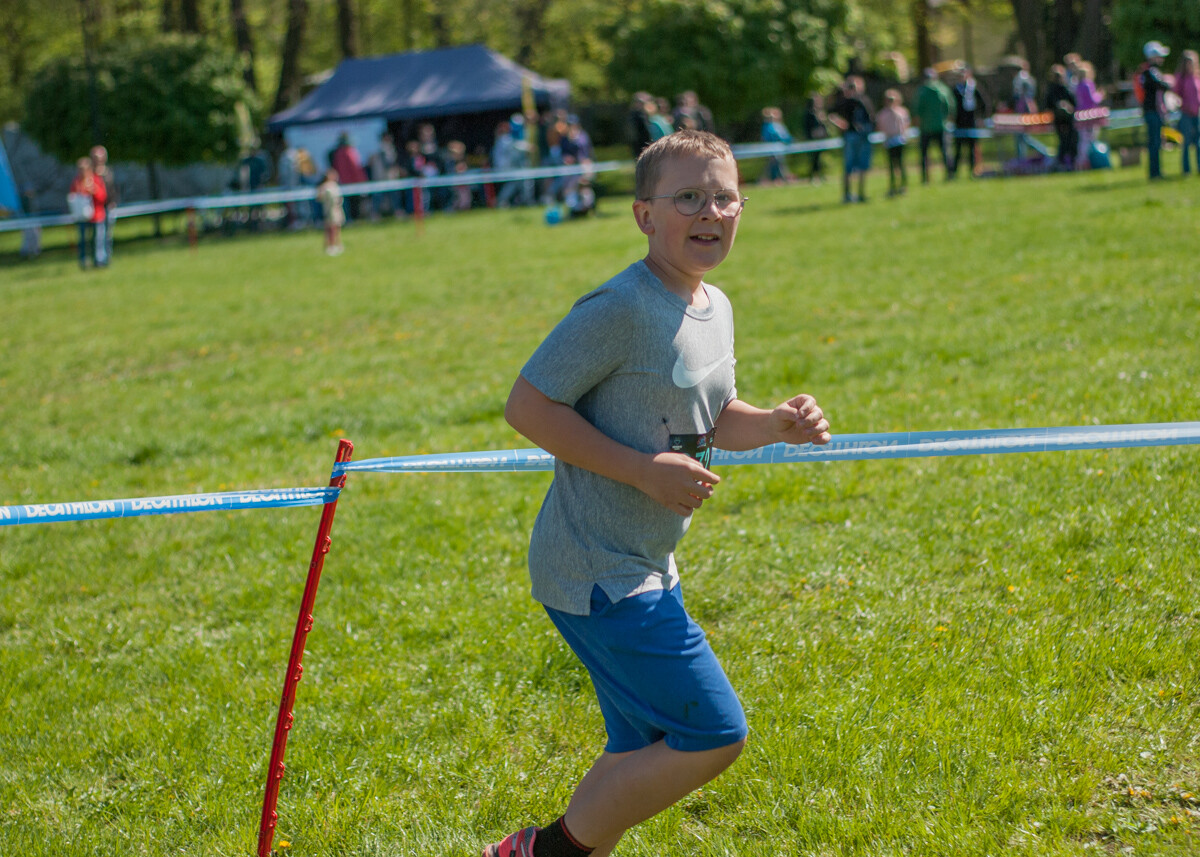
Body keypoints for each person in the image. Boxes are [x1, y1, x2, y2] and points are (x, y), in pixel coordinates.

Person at [486, 129, 831, 857]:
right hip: (593, 569)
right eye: (688, 198)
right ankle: (539, 852)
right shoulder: (620, 307)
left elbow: (711, 417)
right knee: (713, 731)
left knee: (639, 744)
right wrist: (644, 470)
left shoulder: (716, 304)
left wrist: (775, 424)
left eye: (724, 196)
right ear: (644, 215)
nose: (710, 210)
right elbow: (528, 405)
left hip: (647, 562)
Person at [828, 75, 875, 203]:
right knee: (849, 167)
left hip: (864, 136)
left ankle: (861, 193)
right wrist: (840, 124)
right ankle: (847, 194)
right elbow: (830, 114)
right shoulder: (844, 101)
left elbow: (871, 118)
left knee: (863, 165)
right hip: (850, 136)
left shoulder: (864, 100)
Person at [1140, 41, 1174, 180]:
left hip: (1156, 111)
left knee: (1158, 142)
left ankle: (1157, 171)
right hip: (1152, 111)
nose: (1161, 59)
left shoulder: (1153, 72)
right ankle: (1154, 173)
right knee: (1154, 143)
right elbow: (1162, 85)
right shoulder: (1148, 72)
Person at [68, 156, 107, 269]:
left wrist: (94, 191)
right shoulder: (76, 182)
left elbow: (103, 197)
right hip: (82, 217)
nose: (82, 172)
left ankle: (99, 261)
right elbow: (72, 198)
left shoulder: (96, 180)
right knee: (83, 241)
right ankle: (84, 261)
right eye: (80, 169)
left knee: (98, 240)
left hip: (96, 216)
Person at [915, 68, 953, 182]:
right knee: (945, 152)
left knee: (924, 154)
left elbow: (916, 110)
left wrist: (919, 122)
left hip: (926, 127)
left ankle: (925, 178)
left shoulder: (922, 91)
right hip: (941, 126)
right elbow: (950, 107)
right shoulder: (943, 89)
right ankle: (949, 175)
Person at [951, 65, 988, 177]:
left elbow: (984, 103)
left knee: (972, 147)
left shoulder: (974, 87)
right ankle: (954, 172)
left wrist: (982, 117)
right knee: (958, 148)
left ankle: (973, 171)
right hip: (959, 122)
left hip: (972, 121)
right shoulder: (955, 89)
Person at [876, 89, 911, 196]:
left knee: (901, 164)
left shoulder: (902, 111)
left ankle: (903, 186)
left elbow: (906, 123)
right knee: (891, 166)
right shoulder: (882, 113)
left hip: (899, 140)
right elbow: (880, 126)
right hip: (889, 141)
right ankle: (892, 187)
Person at [1073, 61, 1106, 169]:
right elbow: (1093, 99)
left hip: (1080, 115)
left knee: (1082, 139)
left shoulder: (1078, 86)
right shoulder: (1088, 84)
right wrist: (1100, 95)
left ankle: (1081, 161)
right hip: (1090, 115)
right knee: (1091, 138)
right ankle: (1089, 160)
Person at [1045, 64, 1077, 170]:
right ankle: (1061, 163)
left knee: (1071, 140)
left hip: (1069, 120)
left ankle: (1070, 162)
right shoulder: (1051, 90)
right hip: (1059, 120)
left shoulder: (1066, 88)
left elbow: (1073, 103)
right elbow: (1048, 105)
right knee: (1063, 141)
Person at [1174, 50, 1200, 176]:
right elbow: (1176, 95)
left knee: (1199, 142)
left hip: (1197, 113)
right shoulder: (1181, 78)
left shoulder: (1196, 76)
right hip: (1186, 114)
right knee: (1186, 143)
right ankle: (1186, 170)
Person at [90, 145, 117, 263]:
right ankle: (98, 259)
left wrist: (113, 202)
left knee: (108, 235)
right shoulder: (90, 173)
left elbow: (112, 189)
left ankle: (107, 258)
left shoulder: (107, 172)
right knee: (98, 235)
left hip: (108, 206)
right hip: (96, 208)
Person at [1011, 60, 1038, 162]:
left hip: (1022, 109)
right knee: (1023, 136)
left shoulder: (1020, 78)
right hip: (1028, 107)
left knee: (1022, 136)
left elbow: (1017, 94)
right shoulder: (1030, 78)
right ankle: (1022, 158)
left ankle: (1022, 159)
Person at [758, 106, 793, 184]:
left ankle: (780, 179)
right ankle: (781, 179)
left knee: (774, 165)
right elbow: (776, 137)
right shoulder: (769, 127)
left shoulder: (776, 126)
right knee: (775, 165)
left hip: (776, 149)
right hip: (772, 149)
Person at [800, 93, 830, 183]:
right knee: (814, 159)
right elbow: (808, 127)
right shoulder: (809, 114)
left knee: (818, 158)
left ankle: (819, 175)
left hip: (820, 138)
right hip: (813, 139)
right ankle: (814, 176)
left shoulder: (820, 113)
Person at [316, 169, 344, 256]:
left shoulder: (335, 185)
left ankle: (338, 244)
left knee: (337, 227)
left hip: (337, 209)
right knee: (330, 228)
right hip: (329, 210)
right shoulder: (324, 187)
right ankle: (330, 246)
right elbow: (319, 198)